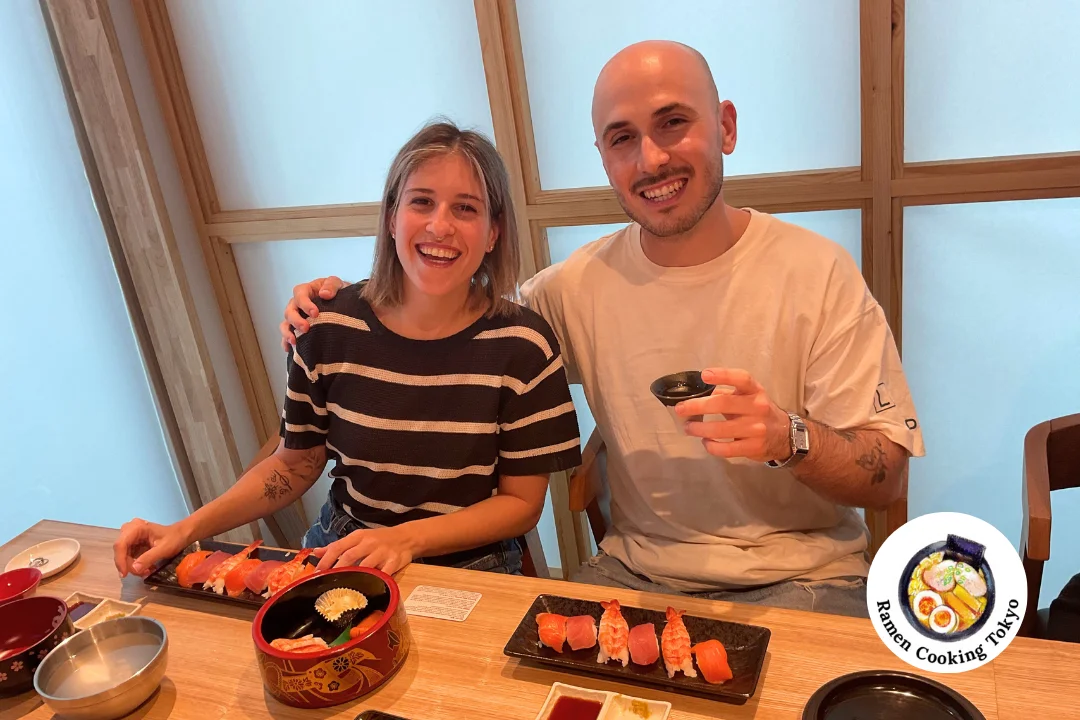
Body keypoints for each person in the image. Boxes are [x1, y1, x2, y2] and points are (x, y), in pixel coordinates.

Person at [280, 42, 925, 617]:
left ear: (725, 126)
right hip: (635, 573)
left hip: (806, 577)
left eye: (674, 123)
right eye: (622, 138)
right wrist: (342, 302)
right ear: (604, 158)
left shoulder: (816, 271)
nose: (651, 158)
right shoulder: (572, 289)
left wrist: (789, 436)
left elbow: (887, 475)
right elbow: (452, 323)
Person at [114, 122, 581, 579]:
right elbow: (297, 462)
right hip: (344, 547)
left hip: (469, 564)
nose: (440, 226)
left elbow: (520, 505)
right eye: (422, 202)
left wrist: (405, 539)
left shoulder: (522, 345)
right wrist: (185, 529)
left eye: (465, 208)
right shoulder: (329, 326)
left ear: (493, 232)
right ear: (392, 217)